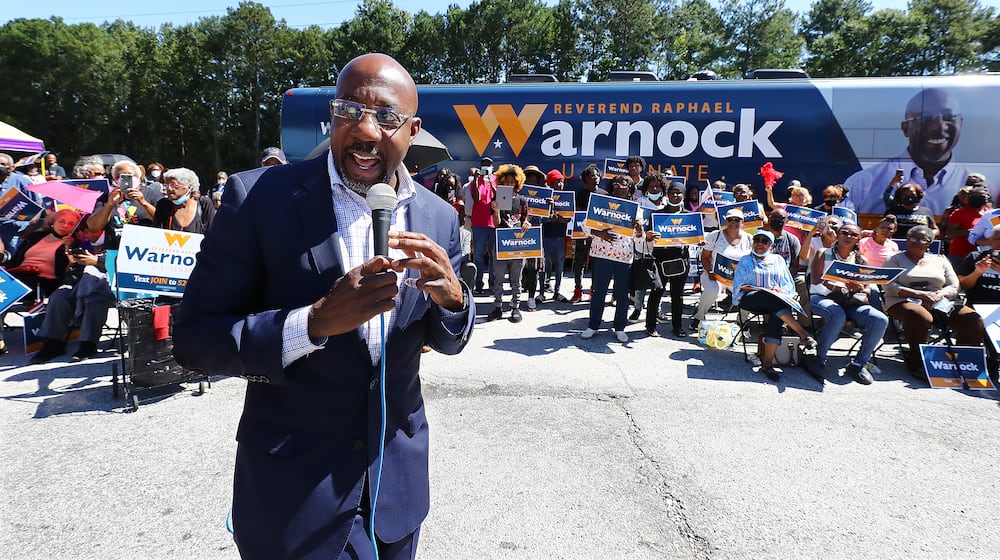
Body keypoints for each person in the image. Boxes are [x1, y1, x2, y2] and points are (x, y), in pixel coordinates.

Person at [172, 53, 474, 560]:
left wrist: (453, 299)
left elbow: (451, 338)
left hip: (394, 493)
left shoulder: (438, 216)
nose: (365, 128)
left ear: (413, 129)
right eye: (349, 110)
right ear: (331, 117)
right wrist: (311, 323)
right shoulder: (259, 198)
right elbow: (195, 338)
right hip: (294, 496)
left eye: (386, 116)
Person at [845, 88, 997, 216]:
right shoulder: (861, 184)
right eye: (925, 118)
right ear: (906, 128)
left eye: (949, 117)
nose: (938, 126)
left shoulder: (986, 189)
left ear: (960, 124)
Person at [883, 225, 984, 380]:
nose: (917, 241)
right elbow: (889, 284)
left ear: (930, 242)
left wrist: (939, 295)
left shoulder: (941, 260)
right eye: (913, 238)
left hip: (939, 300)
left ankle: (963, 363)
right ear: (907, 240)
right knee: (919, 315)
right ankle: (917, 363)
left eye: (923, 239)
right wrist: (920, 294)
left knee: (972, 319)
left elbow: (954, 285)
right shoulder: (894, 260)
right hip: (903, 300)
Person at [806, 222, 889, 384]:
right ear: (838, 235)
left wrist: (858, 288)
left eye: (853, 235)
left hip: (850, 300)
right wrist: (840, 285)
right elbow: (815, 281)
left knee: (880, 320)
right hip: (822, 298)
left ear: (858, 239)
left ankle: (859, 364)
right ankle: (819, 358)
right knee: (837, 314)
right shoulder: (823, 252)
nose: (848, 236)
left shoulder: (861, 259)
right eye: (844, 233)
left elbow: (868, 289)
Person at [732, 230, 816, 381]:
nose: (760, 243)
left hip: (774, 301)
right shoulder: (745, 260)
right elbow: (741, 285)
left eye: (765, 241)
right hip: (751, 298)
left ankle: (767, 364)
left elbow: (788, 284)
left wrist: (779, 290)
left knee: (776, 311)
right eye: (757, 240)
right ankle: (803, 334)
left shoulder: (778, 260)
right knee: (771, 299)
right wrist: (764, 289)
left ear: (770, 245)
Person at [30, 220, 116, 364]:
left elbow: (119, 269)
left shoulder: (114, 244)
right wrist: (71, 261)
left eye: (94, 231)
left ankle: (88, 344)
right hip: (78, 285)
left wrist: (95, 262)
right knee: (59, 296)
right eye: (86, 231)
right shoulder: (83, 245)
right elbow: (68, 274)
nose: (89, 234)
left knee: (93, 297)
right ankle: (53, 343)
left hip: (105, 285)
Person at [581, 175, 641, 343]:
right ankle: (593, 325)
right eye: (615, 184)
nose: (618, 186)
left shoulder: (636, 209)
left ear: (629, 187)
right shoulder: (600, 203)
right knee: (599, 292)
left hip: (624, 257)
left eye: (623, 184)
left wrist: (639, 228)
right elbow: (585, 226)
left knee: (622, 294)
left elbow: (639, 239)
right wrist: (598, 233)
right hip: (602, 254)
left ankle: (620, 327)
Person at [692, 207, 752, 331]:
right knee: (713, 290)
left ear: (743, 222)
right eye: (730, 219)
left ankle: (742, 321)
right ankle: (699, 316)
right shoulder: (715, 236)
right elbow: (705, 258)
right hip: (715, 275)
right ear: (725, 221)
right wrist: (710, 271)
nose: (734, 222)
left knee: (748, 295)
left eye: (737, 219)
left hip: (736, 278)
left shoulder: (749, 239)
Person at [644, 180, 690, 337]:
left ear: (683, 195)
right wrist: (649, 236)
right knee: (656, 292)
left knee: (677, 295)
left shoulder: (690, 216)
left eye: (678, 193)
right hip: (660, 260)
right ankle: (650, 326)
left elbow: (696, 237)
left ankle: (677, 327)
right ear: (667, 195)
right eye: (672, 193)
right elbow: (648, 238)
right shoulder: (656, 215)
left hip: (681, 261)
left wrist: (699, 241)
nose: (675, 195)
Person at [486, 164, 530, 323]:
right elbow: (496, 223)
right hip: (500, 244)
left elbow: (525, 220)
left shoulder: (522, 200)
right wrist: (496, 209)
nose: (510, 184)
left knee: (516, 278)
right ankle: (497, 307)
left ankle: (516, 306)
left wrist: (527, 224)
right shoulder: (497, 198)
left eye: (513, 181)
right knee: (498, 277)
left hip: (517, 245)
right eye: (507, 181)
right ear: (502, 182)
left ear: (518, 182)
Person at [571, 165, 606, 302]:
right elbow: (576, 214)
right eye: (592, 175)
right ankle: (578, 290)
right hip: (582, 234)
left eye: (597, 175)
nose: (596, 178)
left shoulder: (605, 194)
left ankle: (593, 290)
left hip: (599, 236)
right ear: (585, 178)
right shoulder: (579, 194)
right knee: (579, 262)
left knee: (596, 264)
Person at [536, 167, 570, 305]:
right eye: (557, 181)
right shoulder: (543, 197)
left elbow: (568, 218)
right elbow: (539, 218)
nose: (560, 184)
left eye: (562, 181)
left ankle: (557, 292)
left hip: (560, 237)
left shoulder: (567, 198)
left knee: (560, 266)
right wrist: (549, 215)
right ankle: (542, 293)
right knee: (544, 266)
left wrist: (559, 217)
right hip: (546, 237)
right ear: (550, 183)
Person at [151, 168, 215, 233]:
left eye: (173, 185)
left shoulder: (204, 204)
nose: (169, 189)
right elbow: (156, 233)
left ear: (189, 187)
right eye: (166, 185)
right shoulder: (163, 204)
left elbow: (212, 233)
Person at [468, 156, 496, 294]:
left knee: (493, 255)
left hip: (493, 223)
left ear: (492, 167)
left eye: (488, 165)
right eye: (484, 164)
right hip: (479, 223)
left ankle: (492, 283)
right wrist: (476, 180)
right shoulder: (475, 180)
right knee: (478, 255)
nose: (486, 167)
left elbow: (500, 198)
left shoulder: (496, 179)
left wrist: (491, 182)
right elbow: (476, 198)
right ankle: (478, 284)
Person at [944, 185, 988, 267]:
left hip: (983, 255)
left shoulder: (989, 213)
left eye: (982, 196)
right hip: (960, 254)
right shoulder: (959, 213)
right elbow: (950, 233)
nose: (979, 198)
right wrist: (971, 232)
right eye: (975, 196)